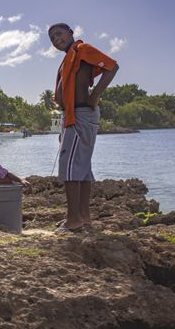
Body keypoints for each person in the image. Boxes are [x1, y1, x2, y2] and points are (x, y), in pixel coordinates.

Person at [48, 23, 119, 233]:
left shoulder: (82, 50)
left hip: (81, 113)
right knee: (82, 168)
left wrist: (95, 95)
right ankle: (84, 217)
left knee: (69, 167)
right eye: (51, 38)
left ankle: (73, 219)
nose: (55, 39)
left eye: (59, 34)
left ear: (70, 33)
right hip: (72, 115)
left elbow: (112, 66)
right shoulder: (67, 59)